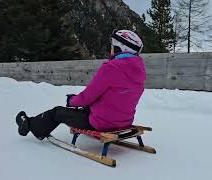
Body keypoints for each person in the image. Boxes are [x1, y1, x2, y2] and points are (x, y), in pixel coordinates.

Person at [15, 29, 146, 140]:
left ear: (120, 48)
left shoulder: (111, 68)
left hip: (102, 123)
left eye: (112, 46)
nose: (111, 49)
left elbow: (88, 96)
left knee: (57, 112)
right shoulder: (139, 71)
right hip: (124, 122)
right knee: (84, 108)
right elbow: (114, 96)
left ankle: (29, 125)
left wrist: (72, 101)